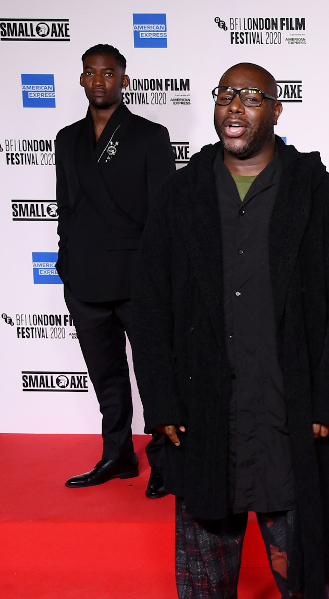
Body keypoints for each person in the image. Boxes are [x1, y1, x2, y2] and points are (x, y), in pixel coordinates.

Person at [131, 63, 329, 599]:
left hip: (290, 397)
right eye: (225, 95)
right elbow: (148, 304)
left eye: (251, 96)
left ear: (276, 109)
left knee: (297, 517)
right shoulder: (182, 195)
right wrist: (161, 400)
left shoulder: (319, 194)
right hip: (204, 395)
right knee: (204, 522)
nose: (235, 107)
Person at [55, 44, 174, 498]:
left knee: (155, 373)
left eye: (108, 73)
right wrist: (66, 261)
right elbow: (65, 207)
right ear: (81, 79)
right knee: (105, 376)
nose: (99, 80)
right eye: (91, 72)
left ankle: (165, 461)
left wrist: (158, 274)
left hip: (136, 276)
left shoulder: (150, 135)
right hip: (84, 278)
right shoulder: (67, 138)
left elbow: (163, 214)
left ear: (124, 80)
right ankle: (117, 454)